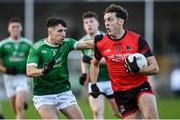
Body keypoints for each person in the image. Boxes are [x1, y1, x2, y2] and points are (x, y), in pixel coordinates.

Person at [90, 4, 159, 119]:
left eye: (110, 19)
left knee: (151, 117)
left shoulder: (137, 40)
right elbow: (94, 63)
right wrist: (93, 84)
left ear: (120, 21)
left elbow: (155, 68)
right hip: (120, 92)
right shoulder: (101, 43)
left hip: (140, 86)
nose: (106, 23)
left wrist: (139, 70)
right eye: (105, 20)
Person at [26, 17, 94, 119]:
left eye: (65, 31)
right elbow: (29, 71)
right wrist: (43, 70)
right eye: (60, 31)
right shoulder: (37, 48)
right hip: (44, 96)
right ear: (50, 31)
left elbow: (88, 44)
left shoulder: (67, 43)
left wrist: (108, 39)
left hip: (64, 93)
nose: (63, 34)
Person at [79, 11, 121, 119]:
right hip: (94, 82)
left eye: (91, 21)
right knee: (97, 111)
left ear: (98, 23)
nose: (89, 24)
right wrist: (84, 73)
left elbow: (112, 59)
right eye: (86, 22)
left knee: (118, 113)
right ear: (83, 25)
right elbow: (83, 59)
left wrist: (90, 60)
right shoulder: (82, 42)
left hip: (112, 81)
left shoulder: (107, 38)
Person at [0, 17, 31, 119]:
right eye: (13, 27)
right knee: (15, 109)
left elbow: (35, 59)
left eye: (17, 26)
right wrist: (6, 70)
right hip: (8, 79)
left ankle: (21, 101)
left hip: (22, 78)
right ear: (9, 29)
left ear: (21, 28)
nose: (15, 29)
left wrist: (28, 69)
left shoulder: (28, 44)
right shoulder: (3, 45)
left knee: (19, 107)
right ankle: (22, 102)